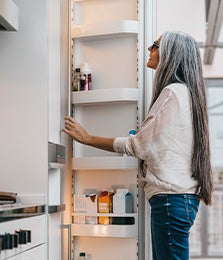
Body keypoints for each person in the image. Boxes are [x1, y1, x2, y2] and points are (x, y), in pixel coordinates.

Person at [62, 30, 213, 260]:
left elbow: (138, 146)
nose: (150, 49)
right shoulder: (186, 94)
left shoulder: (172, 93)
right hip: (179, 199)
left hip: (171, 200)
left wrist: (88, 138)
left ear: (171, 54)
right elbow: (152, 142)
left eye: (155, 45)